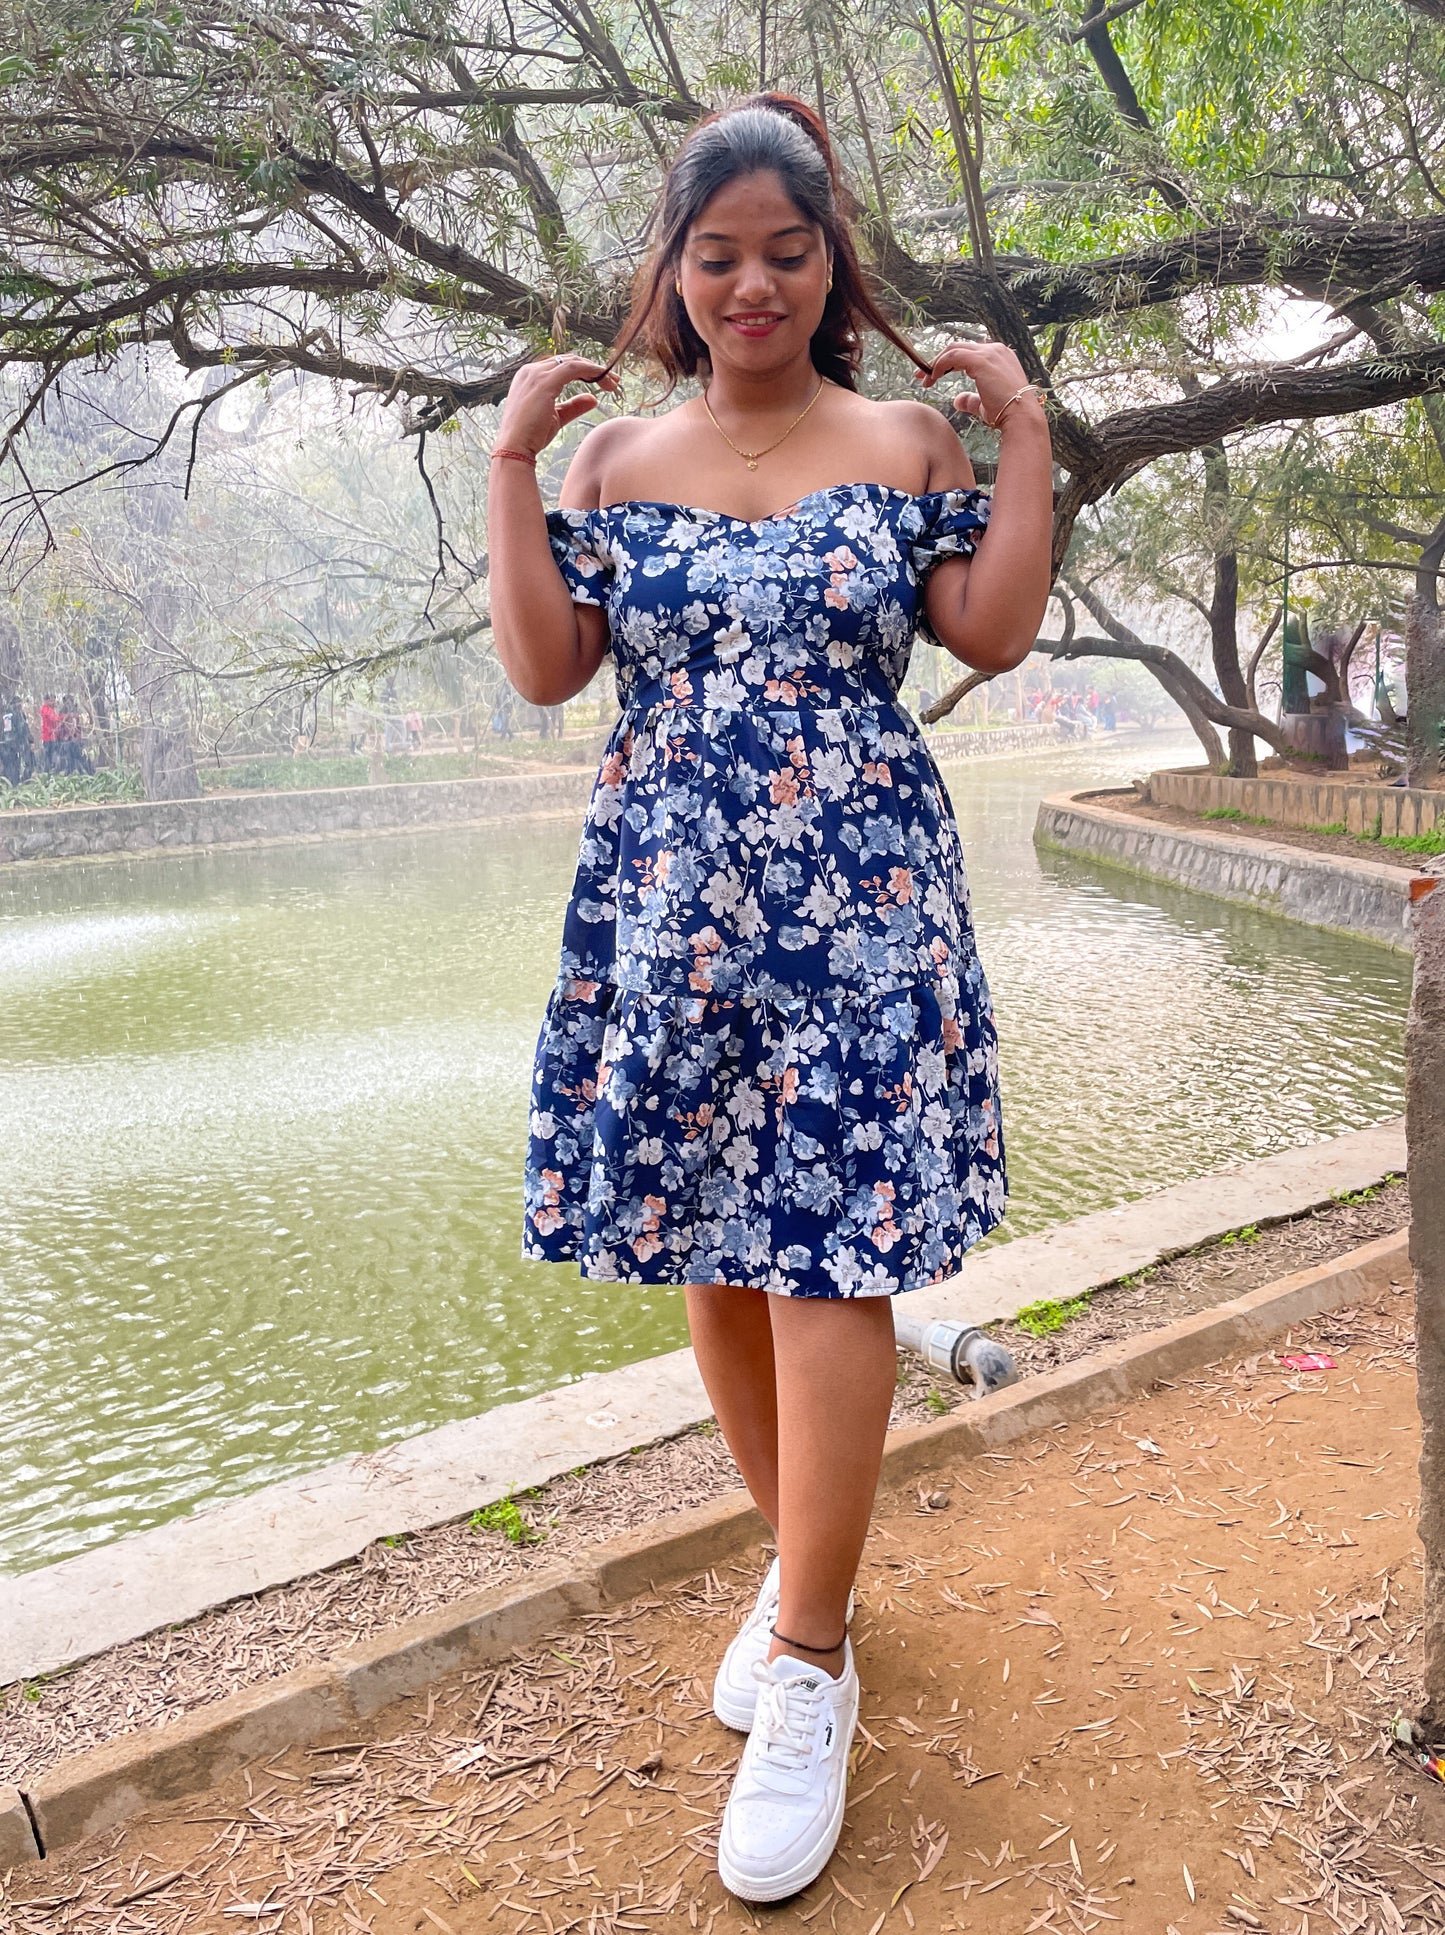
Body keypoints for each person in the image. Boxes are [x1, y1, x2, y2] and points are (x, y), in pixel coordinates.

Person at [490, 94, 1052, 1904]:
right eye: (716, 254)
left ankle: (806, 1654)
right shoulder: (612, 465)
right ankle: (812, 1582)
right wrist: (512, 465)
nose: (752, 284)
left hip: (860, 909)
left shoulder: (899, 439)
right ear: (673, 273)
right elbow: (545, 667)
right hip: (671, 914)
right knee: (718, 1261)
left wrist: (1021, 429)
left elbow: (993, 629)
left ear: (831, 270)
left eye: (786, 253)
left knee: (832, 1262)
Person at [0, 695, 32, 784]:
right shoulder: (11, 714)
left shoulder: (16, 714)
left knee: (15, 766)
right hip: (12, 746)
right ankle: (14, 785)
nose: (20, 705)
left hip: (15, 745)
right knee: (13, 767)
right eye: (18, 703)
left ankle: (15, 783)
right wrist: (16, 745)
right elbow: (10, 732)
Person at [38, 693, 59, 772]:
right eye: (51, 701)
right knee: (48, 756)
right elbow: (53, 718)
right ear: (46, 701)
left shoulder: (52, 710)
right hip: (47, 737)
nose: (53, 703)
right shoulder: (45, 709)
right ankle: (47, 771)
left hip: (53, 737)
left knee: (53, 755)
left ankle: (52, 770)